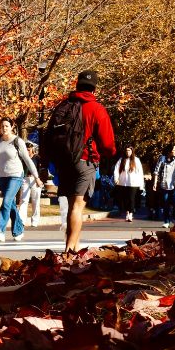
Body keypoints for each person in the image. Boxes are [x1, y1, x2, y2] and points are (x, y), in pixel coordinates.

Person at [42, 70, 116, 254]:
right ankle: (69, 250)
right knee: (77, 206)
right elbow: (107, 145)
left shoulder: (63, 106)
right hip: (85, 160)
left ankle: (74, 245)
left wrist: (44, 164)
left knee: (71, 205)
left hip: (63, 161)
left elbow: (47, 137)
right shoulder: (96, 109)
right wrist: (109, 153)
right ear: (94, 88)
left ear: (77, 85)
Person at [0, 118, 40, 242]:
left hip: (16, 176)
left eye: (6, 126)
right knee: (10, 204)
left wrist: (36, 177)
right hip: (2, 176)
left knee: (6, 202)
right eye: (2, 126)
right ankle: (18, 231)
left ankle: (0, 231)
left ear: (12, 127)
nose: (4, 128)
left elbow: (28, 160)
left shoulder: (17, 141)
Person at [152, 145, 175, 228]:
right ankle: (166, 221)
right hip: (164, 184)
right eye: (174, 150)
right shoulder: (162, 159)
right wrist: (155, 183)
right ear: (169, 151)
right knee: (165, 203)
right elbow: (156, 172)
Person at [112, 147, 144, 222]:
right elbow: (116, 170)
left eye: (129, 150)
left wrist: (141, 184)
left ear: (132, 151)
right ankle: (127, 212)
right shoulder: (121, 160)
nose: (127, 152)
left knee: (131, 199)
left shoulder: (136, 160)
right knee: (125, 199)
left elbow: (140, 172)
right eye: (126, 150)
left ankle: (131, 214)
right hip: (123, 183)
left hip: (133, 183)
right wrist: (116, 179)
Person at [18, 141, 44, 227]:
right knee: (24, 199)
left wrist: (40, 179)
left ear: (32, 150)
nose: (28, 152)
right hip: (25, 178)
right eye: (26, 150)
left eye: (29, 150)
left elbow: (41, 168)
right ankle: (22, 220)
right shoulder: (23, 158)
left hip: (35, 179)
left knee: (35, 200)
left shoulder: (37, 158)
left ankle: (34, 221)